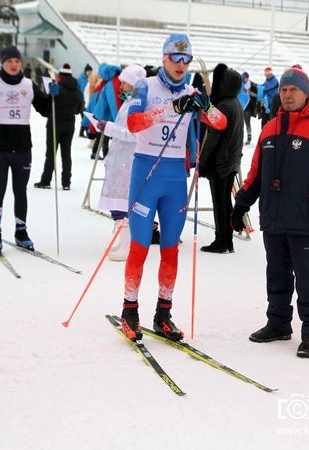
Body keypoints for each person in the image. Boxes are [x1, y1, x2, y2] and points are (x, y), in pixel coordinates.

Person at [232, 67, 309, 358]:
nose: (286, 95)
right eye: (283, 90)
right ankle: (278, 324)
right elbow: (256, 173)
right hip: (274, 217)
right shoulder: (270, 128)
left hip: (306, 219)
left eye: (293, 89)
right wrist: (241, 203)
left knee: (308, 280)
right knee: (277, 275)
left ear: (306, 92)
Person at [119, 33, 226, 342]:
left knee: (170, 249)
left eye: (186, 59)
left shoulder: (192, 90)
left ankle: (163, 313)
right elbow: (134, 123)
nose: (181, 64)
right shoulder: (146, 85)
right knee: (139, 245)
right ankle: (130, 309)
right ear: (164, 57)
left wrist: (205, 105)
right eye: (175, 58)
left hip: (175, 177)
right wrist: (171, 109)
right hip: (146, 171)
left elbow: (220, 123)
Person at [0, 45, 55, 252]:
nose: (13, 65)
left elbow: (46, 110)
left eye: (17, 61)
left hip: (22, 148)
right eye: (9, 61)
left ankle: (21, 231)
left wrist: (53, 96)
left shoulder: (28, 85)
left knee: (20, 191)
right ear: (3, 63)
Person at [93, 64, 147, 261]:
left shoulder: (137, 104)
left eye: (124, 82)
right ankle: (124, 241)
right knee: (117, 203)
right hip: (119, 159)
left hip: (128, 160)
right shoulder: (128, 102)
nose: (120, 85)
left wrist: (109, 128)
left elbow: (133, 134)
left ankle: (128, 245)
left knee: (122, 203)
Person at [199, 64, 244, 254]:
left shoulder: (224, 106)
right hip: (232, 160)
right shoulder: (236, 103)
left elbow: (213, 138)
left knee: (220, 202)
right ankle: (228, 240)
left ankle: (221, 240)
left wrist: (202, 161)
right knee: (225, 201)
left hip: (221, 162)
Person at [34, 63, 84, 190]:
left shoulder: (57, 88)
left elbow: (48, 107)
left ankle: (46, 180)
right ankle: (66, 182)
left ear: (60, 75)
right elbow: (79, 110)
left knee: (51, 154)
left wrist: (51, 95)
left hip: (55, 125)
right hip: (69, 125)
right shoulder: (77, 91)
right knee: (66, 154)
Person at [241, 71, 257, 145]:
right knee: (240, 124)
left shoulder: (250, 84)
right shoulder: (239, 84)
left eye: (248, 78)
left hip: (248, 106)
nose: (247, 79)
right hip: (240, 106)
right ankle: (239, 138)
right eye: (246, 78)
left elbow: (254, 93)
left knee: (247, 123)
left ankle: (249, 138)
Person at [77, 64, 92, 137]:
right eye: (88, 71)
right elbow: (77, 88)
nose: (89, 72)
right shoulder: (80, 79)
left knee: (85, 117)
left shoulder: (91, 79)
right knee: (84, 117)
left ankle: (82, 132)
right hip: (81, 101)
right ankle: (86, 132)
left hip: (88, 101)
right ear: (85, 71)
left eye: (90, 71)